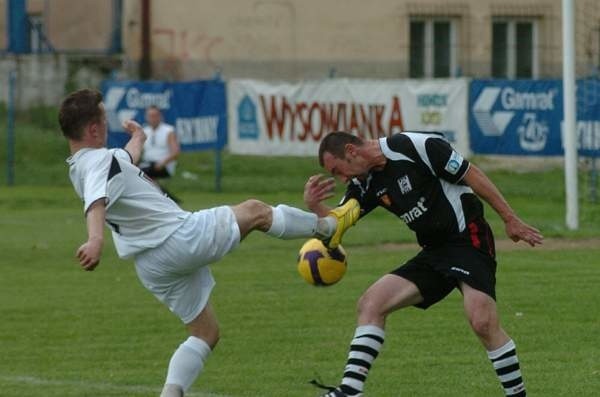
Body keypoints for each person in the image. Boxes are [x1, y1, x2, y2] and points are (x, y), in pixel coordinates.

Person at [58, 89, 360, 397]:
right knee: (255, 211)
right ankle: (328, 227)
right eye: (104, 120)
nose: (108, 125)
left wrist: (138, 137)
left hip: (150, 264)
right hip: (176, 239)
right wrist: (95, 239)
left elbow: (126, 157)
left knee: (205, 333)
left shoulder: (89, 163)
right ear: (93, 129)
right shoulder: (97, 162)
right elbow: (97, 201)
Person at [304, 131, 543, 397]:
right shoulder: (364, 183)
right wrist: (316, 208)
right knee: (370, 304)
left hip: (468, 240)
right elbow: (338, 223)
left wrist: (510, 219)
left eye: (339, 170)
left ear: (351, 150)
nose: (342, 179)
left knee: (482, 322)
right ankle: (350, 391)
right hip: (433, 252)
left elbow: (471, 174)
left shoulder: (414, 146)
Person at [139, 105, 181, 202]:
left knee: (142, 173)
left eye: (155, 115)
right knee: (136, 170)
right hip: (148, 164)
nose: (153, 118)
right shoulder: (145, 131)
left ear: (160, 116)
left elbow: (175, 152)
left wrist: (163, 162)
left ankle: (163, 197)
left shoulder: (168, 131)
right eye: (150, 116)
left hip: (163, 165)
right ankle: (164, 197)